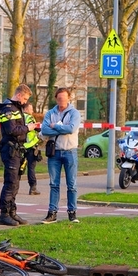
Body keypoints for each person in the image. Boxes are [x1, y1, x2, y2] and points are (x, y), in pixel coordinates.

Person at [0, 84, 37, 226]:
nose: (25, 102)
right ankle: (4, 214)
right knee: (10, 182)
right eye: (24, 98)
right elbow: (11, 130)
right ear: (19, 95)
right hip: (10, 149)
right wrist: (28, 128)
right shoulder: (7, 109)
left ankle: (12, 212)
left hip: (18, 150)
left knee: (16, 183)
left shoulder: (16, 108)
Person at [40, 87, 81, 224]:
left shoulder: (74, 113)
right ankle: (52, 213)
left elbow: (71, 128)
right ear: (56, 99)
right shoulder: (50, 113)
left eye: (63, 98)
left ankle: (72, 213)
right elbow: (44, 130)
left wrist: (54, 126)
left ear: (69, 98)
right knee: (54, 184)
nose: (61, 101)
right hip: (54, 153)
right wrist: (59, 128)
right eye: (59, 99)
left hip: (70, 151)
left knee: (72, 184)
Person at [21, 102, 41, 195]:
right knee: (31, 168)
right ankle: (33, 187)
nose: (32, 111)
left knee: (19, 166)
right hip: (31, 146)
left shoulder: (19, 117)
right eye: (31, 109)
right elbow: (35, 128)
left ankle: (14, 186)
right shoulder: (29, 117)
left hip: (21, 146)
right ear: (25, 109)